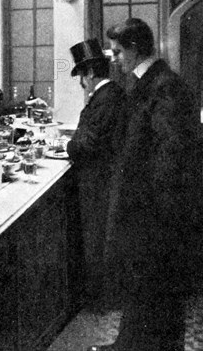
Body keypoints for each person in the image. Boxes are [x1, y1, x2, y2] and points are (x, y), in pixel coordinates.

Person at [88, 18, 203, 351]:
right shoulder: (144, 83)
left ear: (132, 49)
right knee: (141, 288)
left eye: (116, 52)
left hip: (156, 215)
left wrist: (152, 212)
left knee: (158, 295)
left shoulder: (164, 85)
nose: (113, 58)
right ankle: (127, 343)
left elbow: (172, 157)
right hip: (145, 212)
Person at [65, 39, 128, 311]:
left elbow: (85, 144)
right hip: (105, 180)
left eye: (81, 75)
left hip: (98, 183)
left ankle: (98, 301)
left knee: (96, 241)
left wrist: (68, 145)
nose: (81, 82)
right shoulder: (112, 94)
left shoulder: (104, 99)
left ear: (89, 73)